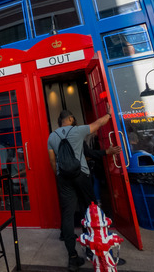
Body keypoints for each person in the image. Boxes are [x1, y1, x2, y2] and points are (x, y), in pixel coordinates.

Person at [48, 110, 112, 272]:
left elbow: (52, 160)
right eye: (73, 118)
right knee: (89, 208)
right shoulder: (77, 130)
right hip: (81, 174)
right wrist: (109, 114)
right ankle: (91, 248)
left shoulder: (51, 137)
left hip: (63, 178)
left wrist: (59, 176)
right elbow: (98, 123)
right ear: (69, 118)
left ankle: (73, 257)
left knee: (68, 214)